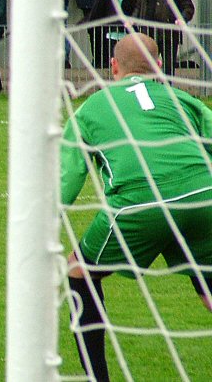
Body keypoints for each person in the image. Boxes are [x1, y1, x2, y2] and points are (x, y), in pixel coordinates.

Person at [61, 33, 212, 381]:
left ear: (113, 67)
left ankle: (97, 378)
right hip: (202, 194)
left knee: (77, 271)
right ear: (159, 67)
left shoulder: (93, 106)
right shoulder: (181, 98)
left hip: (138, 203)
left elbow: (67, 175)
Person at [133, 0, 195, 76]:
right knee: (147, 65)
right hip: (148, 32)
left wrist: (182, 18)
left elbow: (188, 7)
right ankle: (150, 90)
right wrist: (132, 20)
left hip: (169, 33)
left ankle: (166, 90)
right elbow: (139, 6)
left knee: (168, 66)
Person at [85, 0, 142, 66]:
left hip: (129, 29)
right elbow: (101, 5)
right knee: (113, 59)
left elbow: (137, 7)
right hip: (112, 29)